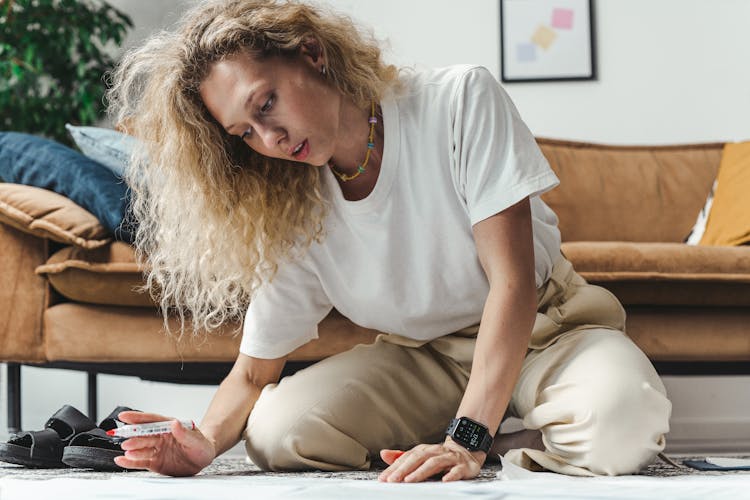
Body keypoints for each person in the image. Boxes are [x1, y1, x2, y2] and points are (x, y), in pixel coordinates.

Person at [106, 0, 672, 481]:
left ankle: (485, 438)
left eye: (267, 103)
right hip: (425, 358)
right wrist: (204, 441)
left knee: (624, 422)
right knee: (278, 434)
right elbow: (255, 372)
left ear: (312, 53)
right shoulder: (287, 203)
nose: (270, 138)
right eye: (244, 133)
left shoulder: (457, 100)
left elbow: (513, 282)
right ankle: (473, 432)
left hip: (545, 329)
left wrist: (469, 439)